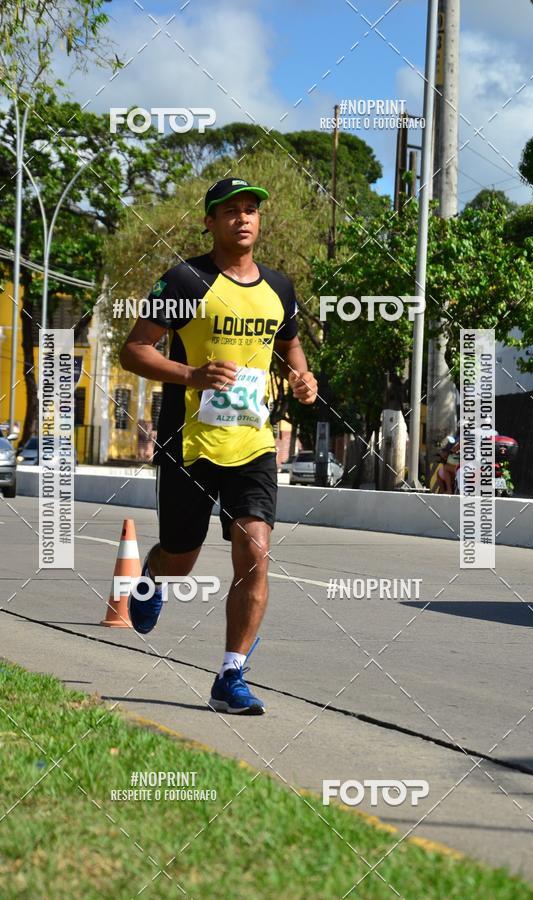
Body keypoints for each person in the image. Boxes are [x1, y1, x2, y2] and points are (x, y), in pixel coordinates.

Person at [119, 177, 318, 715]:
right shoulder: (186, 278)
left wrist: (302, 379)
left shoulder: (280, 286)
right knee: (181, 558)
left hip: (253, 443)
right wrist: (191, 373)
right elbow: (133, 350)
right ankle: (152, 579)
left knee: (254, 553)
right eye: (230, 211)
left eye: (252, 209)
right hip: (190, 443)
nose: (244, 218)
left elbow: (290, 344)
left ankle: (231, 674)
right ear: (210, 221)